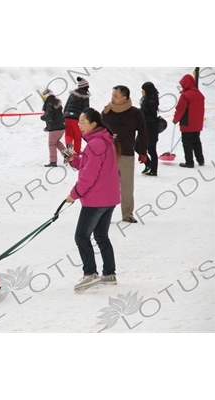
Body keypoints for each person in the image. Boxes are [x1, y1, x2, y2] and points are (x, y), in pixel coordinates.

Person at [65, 108, 121, 291]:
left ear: (93, 124)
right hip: (108, 197)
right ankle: (109, 273)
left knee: (81, 236)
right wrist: (75, 160)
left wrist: (74, 194)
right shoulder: (103, 140)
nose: (79, 125)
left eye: (82, 122)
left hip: (96, 199)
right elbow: (89, 164)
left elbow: (89, 176)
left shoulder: (96, 144)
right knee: (101, 235)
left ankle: (90, 273)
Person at [101, 85, 148, 223]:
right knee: (106, 185)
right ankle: (102, 214)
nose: (112, 98)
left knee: (127, 186)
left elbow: (143, 133)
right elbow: (98, 132)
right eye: (112, 95)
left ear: (124, 98)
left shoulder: (135, 113)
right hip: (107, 155)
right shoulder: (106, 112)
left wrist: (143, 151)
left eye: (116, 96)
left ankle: (127, 214)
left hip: (126, 154)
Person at [173, 74, 205, 168]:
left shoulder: (185, 95)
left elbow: (180, 109)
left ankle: (189, 162)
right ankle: (200, 159)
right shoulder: (200, 94)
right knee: (196, 141)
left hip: (187, 123)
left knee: (187, 142)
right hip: (197, 123)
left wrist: (175, 119)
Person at [136, 82, 160, 176]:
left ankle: (153, 169)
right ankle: (149, 164)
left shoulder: (151, 100)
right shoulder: (146, 99)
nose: (142, 92)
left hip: (150, 128)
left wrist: (141, 112)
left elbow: (152, 115)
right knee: (137, 146)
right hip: (145, 127)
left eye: (143, 90)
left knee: (151, 148)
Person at [63, 77, 90, 155]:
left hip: (67, 117)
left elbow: (66, 106)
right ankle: (76, 154)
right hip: (77, 119)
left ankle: (69, 146)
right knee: (77, 137)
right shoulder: (85, 97)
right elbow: (86, 110)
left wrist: (64, 115)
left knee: (68, 134)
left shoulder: (72, 95)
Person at [40, 88, 67, 167]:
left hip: (54, 128)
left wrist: (43, 117)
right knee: (57, 142)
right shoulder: (57, 102)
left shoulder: (49, 103)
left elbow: (49, 116)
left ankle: (53, 161)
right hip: (61, 126)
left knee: (52, 144)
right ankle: (67, 155)